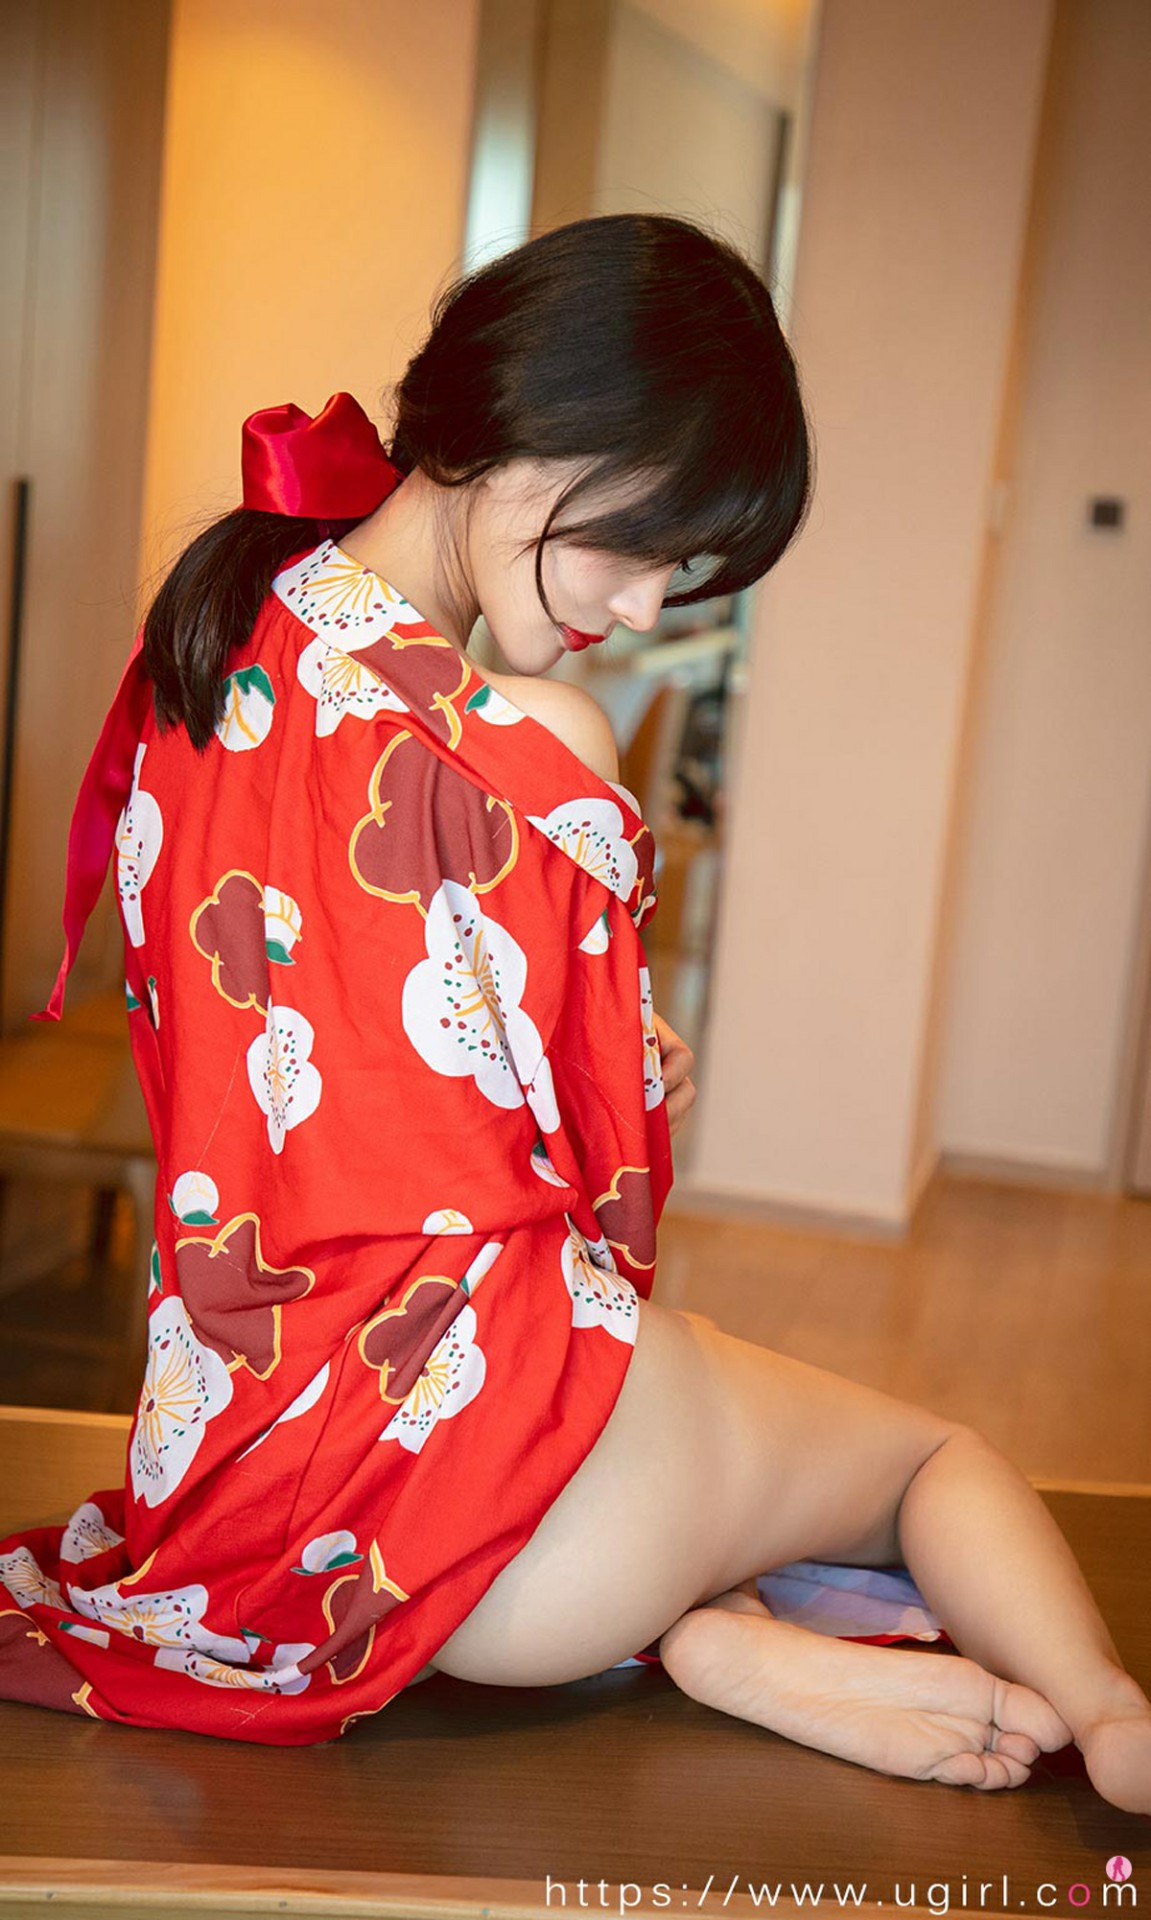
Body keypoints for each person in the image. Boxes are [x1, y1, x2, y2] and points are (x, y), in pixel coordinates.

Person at [1, 214, 1148, 1811]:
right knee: (934, 1463)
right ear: (543, 439)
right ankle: (1109, 1721)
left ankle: (705, 1626)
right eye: (649, 541)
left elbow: (318, 1049)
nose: (654, 601)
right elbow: (595, 1180)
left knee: (707, 1479)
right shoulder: (531, 733)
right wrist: (629, 1065)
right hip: (529, 1491)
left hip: (259, 1509)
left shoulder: (203, 644)